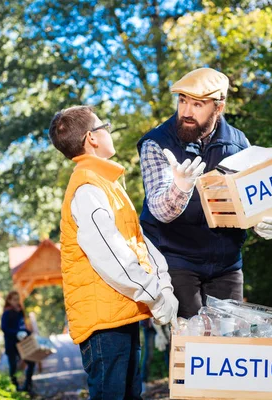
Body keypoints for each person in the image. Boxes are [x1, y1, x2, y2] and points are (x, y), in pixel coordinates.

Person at [49, 105, 178, 399]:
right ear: (91, 138)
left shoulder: (105, 185)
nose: (108, 130)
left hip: (120, 314)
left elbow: (137, 240)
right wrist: (155, 294)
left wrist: (162, 285)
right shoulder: (87, 189)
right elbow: (111, 254)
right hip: (104, 325)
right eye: (103, 125)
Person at [137, 67, 272, 318]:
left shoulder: (240, 145)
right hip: (175, 260)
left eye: (197, 104)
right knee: (190, 345)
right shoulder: (156, 143)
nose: (185, 111)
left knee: (227, 341)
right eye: (182, 101)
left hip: (226, 265)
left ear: (219, 107)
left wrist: (260, 221)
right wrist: (180, 188)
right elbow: (160, 211)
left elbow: (249, 202)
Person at [1, 291, 35, 392]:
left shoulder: (19, 311)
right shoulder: (7, 312)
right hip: (11, 344)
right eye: (14, 299)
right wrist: (16, 333)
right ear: (9, 300)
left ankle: (27, 386)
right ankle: (15, 388)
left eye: (17, 299)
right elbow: (4, 328)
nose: (16, 301)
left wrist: (28, 333)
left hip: (22, 344)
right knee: (13, 367)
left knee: (31, 362)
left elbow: (22, 326)